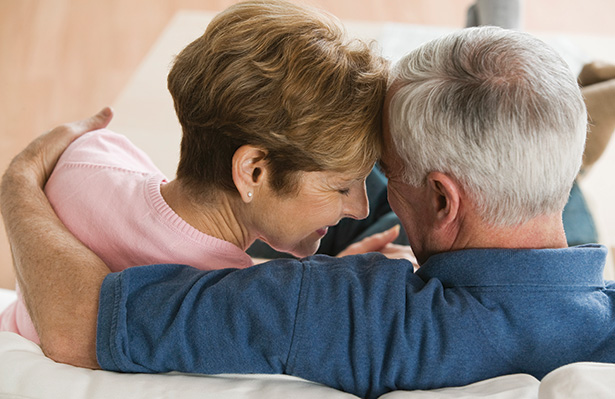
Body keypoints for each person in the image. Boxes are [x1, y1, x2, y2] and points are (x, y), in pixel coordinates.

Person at [4, 26, 615, 399]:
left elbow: (79, 323)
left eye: (387, 167)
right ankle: (560, 153)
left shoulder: (335, 307)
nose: (378, 182)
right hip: (560, 281)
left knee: (347, 202)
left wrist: (20, 184)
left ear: (441, 199)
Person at [0, 0, 408, 344]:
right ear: (252, 171)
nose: (358, 207)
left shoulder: (84, 155)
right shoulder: (222, 305)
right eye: (341, 187)